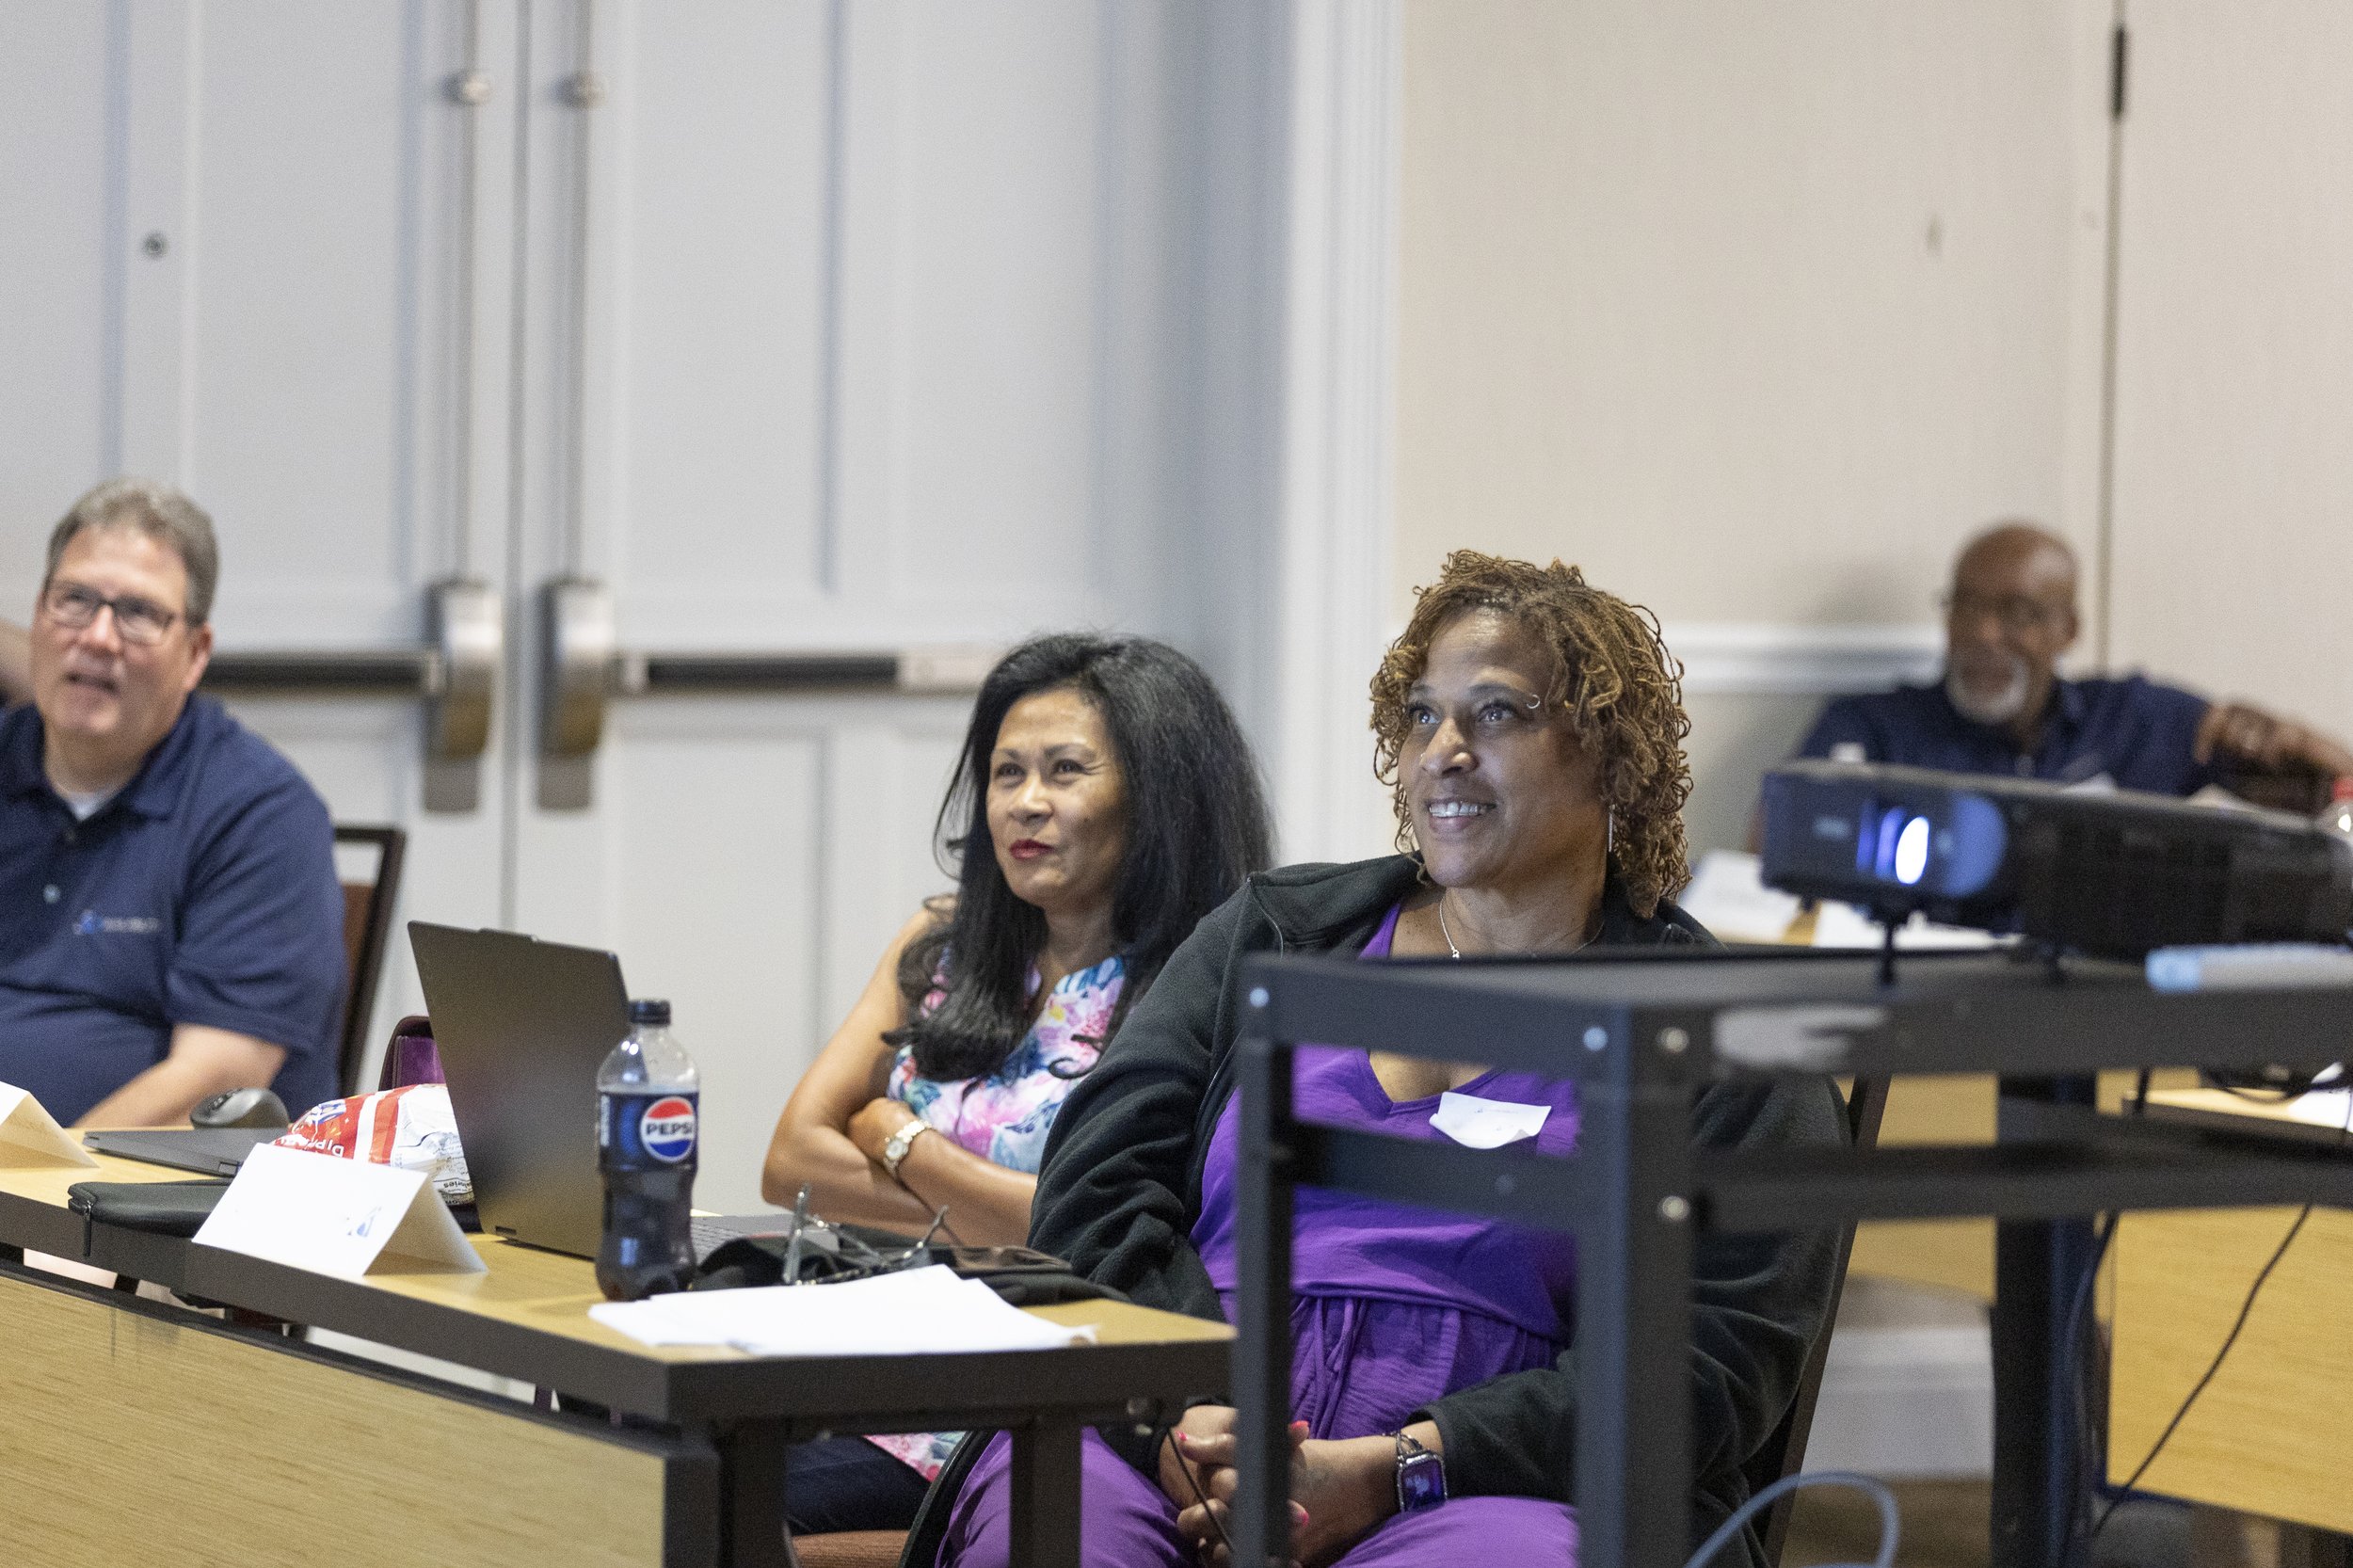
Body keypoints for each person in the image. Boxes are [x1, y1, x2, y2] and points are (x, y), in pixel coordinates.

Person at [929, 552, 1846, 1568]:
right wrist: (1192, 1411)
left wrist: (1398, 1465)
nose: (1441, 749)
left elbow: (1706, 1368)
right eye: (1420, 715)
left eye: (1494, 713)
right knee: (1048, 1521)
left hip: (1495, 1485)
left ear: (1607, 753)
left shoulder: (1717, 1039)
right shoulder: (1271, 935)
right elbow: (1093, 1189)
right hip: (1177, 1439)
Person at [760, 632, 1274, 1536]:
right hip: (851, 1355)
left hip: (1004, 1409)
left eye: (1066, 771)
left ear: (1159, 801)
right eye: (1007, 773)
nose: (1024, 805)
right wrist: (982, 1206)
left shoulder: (1203, 996)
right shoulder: (943, 941)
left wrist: (890, 1132)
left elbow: (1080, 1230)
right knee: (606, 1438)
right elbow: (791, 1160)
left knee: (682, 1496)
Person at [0, 478, 345, 1127]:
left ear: (195, 655)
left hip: (126, 1211)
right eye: (74, 600)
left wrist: (29, 1188)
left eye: (138, 613)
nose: (98, 637)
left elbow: (215, 1084)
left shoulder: (261, 815)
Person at [1794, 520, 2353, 793]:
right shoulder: (1875, 727)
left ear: (2069, 630)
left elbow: (2329, 787)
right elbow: (1774, 849)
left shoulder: (2132, 720)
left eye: (2018, 613)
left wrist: (2292, 747)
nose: (1984, 633)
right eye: (1966, 606)